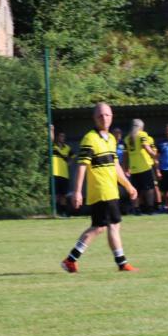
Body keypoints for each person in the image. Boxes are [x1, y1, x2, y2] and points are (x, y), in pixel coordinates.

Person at [61, 102, 138, 274]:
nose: (104, 118)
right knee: (114, 225)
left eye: (107, 115)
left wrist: (128, 185)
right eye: (100, 115)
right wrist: (77, 191)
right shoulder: (90, 139)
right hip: (101, 190)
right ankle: (122, 263)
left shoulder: (111, 139)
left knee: (99, 227)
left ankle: (71, 260)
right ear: (94, 118)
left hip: (111, 190)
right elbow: (82, 166)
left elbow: (115, 166)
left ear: (112, 117)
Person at [123, 119, 160, 214]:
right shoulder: (142, 135)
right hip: (144, 166)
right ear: (141, 127)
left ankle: (136, 209)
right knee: (149, 188)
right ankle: (150, 208)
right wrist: (155, 155)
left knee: (136, 190)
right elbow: (146, 147)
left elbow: (125, 155)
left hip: (134, 168)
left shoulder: (127, 138)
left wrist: (126, 168)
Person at [51, 127, 72, 216]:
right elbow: (51, 140)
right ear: (57, 137)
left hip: (64, 175)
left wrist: (69, 161)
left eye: (63, 136)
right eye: (60, 136)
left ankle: (63, 213)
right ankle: (54, 212)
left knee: (63, 195)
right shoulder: (53, 147)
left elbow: (72, 157)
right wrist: (51, 130)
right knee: (55, 195)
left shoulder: (67, 148)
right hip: (55, 174)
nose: (62, 138)